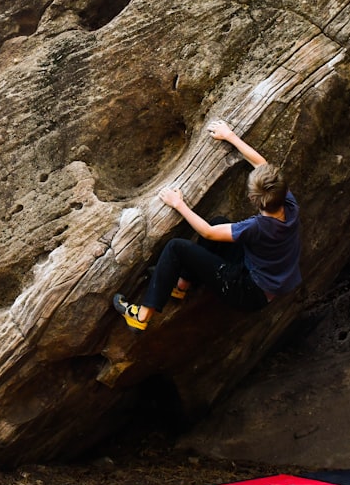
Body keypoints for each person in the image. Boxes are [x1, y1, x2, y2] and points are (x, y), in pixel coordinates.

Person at [112, 120, 302, 331]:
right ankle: (181, 285)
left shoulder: (257, 226)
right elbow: (262, 165)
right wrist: (230, 136)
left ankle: (141, 316)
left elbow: (208, 233)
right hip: (261, 275)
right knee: (220, 222)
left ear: (252, 199)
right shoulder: (287, 203)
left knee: (177, 247)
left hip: (247, 291)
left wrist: (179, 204)